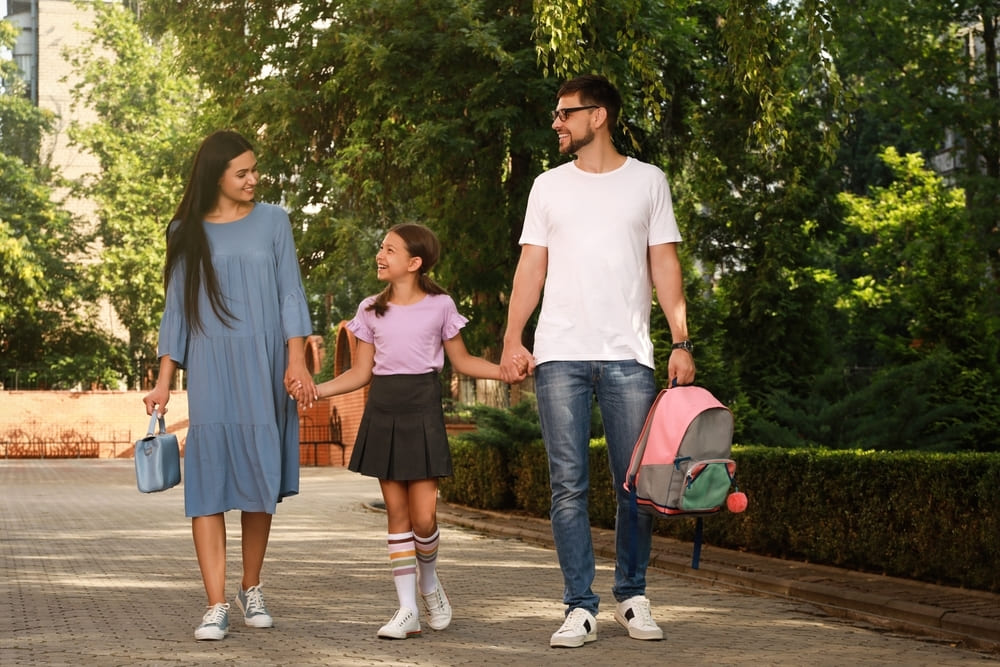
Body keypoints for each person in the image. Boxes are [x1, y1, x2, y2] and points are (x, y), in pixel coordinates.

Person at [498, 74, 696, 648]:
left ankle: (632, 596)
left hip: (628, 357)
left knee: (634, 484)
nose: (556, 122)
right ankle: (579, 606)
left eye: (565, 113)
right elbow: (531, 267)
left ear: (598, 115)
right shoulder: (548, 187)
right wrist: (512, 338)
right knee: (567, 486)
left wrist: (681, 341)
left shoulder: (648, 182)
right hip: (559, 354)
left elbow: (665, 265)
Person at [143, 130, 316, 641]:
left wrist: (297, 361)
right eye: (242, 172)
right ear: (215, 176)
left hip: (265, 361)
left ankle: (251, 586)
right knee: (209, 482)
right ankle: (215, 603)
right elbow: (176, 309)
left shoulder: (274, 221)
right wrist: (163, 382)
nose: (253, 179)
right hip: (212, 364)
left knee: (259, 479)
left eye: (254, 170)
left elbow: (290, 294)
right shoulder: (184, 230)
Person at [314, 222, 525, 640]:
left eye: (389, 250)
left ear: (414, 263)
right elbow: (360, 372)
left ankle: (429, 584)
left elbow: (462, 361)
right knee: (397, 515)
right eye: (381, 247)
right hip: (384, 410)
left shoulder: (441, 305)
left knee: (424, 519)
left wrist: (503, 372)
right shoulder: (369, 309)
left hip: (423, 409)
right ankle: (407, 610)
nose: (380, 255)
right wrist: (315, 391)